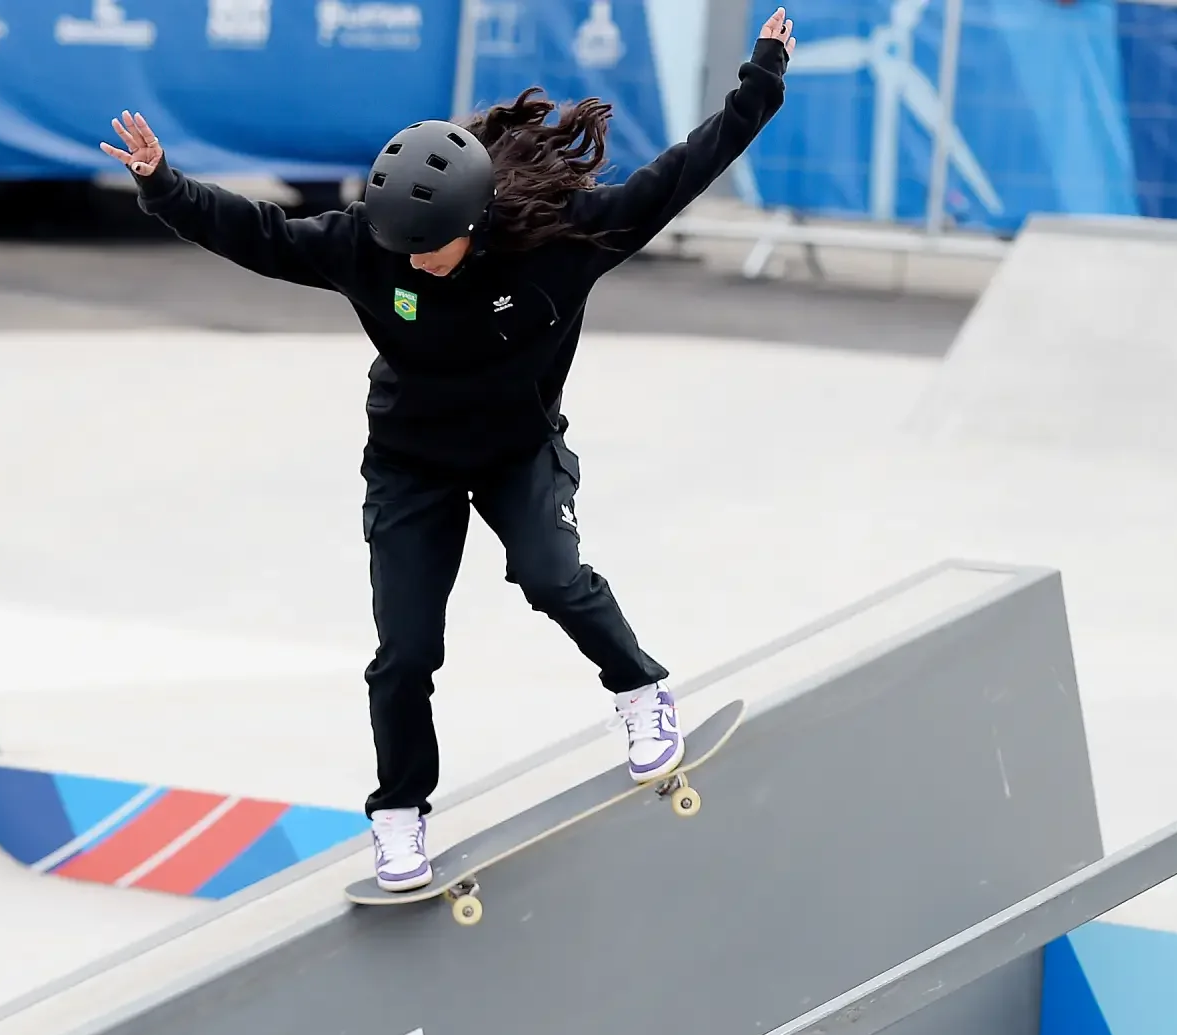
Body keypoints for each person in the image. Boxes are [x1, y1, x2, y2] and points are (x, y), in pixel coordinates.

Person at [100, 10, 796, 892]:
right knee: (405, 651)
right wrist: (164, 186)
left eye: (428, 251)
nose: (413, 264)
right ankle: (399, 813)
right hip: (411, 463)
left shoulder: (570, 240)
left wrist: (761, 79)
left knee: (553, 577)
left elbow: (685, 169)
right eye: (401, 251)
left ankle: (640, 690)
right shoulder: (369, 244)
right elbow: (262, 237)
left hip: (516, 450)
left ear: (474, 219)